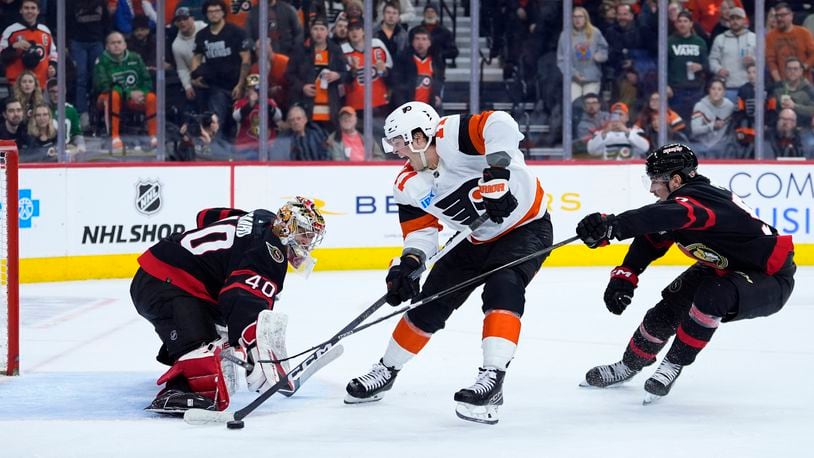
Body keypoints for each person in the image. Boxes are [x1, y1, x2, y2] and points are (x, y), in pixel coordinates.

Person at [344, 102, 553, 425]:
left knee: (503, 287)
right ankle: (387, 369)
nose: (398, 153)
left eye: (400, 144)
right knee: (429, 302)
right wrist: (409, 263)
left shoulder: (453, 135)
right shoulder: (408, 184)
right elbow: (421, 233)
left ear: (419, 137)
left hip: (525, 228)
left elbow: (501, 123)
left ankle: (493, 379)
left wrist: (497, 171)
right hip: (472, 239)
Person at [575, 143, 796, 404]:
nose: (651, 188)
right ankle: (628, 366)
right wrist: (626, 275)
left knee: (712, 295)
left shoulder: (701, 199)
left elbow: (667, 215)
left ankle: (672, 364)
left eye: (655, 180)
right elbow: (652, 238)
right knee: (666, 311)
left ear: (676, 180)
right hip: (721, 268)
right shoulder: (679, 205)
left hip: (769, 277)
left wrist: (613, 225)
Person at [131, 197, 326, 413]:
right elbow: (241, 296)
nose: (307, 242)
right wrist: (254, 348)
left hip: (173, 276)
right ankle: (176, 390)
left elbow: (206, 216)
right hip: (163, 283)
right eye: (305, 234)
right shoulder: (271, 254)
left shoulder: (263, 217)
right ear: (288, 227)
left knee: (225, 333)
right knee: (210, 352)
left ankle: (185, 342)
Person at [191, 0, 252, 137]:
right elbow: (196, 57)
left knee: (238, 123)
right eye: (210, 12)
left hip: (236, 84)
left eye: (217, 11)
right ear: (206, 14)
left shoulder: (236, 32)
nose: (214, 14)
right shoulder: (202, 35)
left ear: (223, 12)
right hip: (215, 86)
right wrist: (194, 76)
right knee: (215, 120)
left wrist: (241, 84)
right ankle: (216, 152)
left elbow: (246, 59)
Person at [93, 31, 158, 152]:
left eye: (119, 42)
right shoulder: (101, 61)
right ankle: (114, 137)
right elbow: (104, 85)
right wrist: (128, 93)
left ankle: (153, 135)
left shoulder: (135, 58)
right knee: (113, 95)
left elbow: (147, 81)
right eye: (113, 43)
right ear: (107, 46)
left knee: (151, 98)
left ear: (125, 45)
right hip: (108, 98)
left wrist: (141, 93)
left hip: (133, 98)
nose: (116, 45)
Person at [556, 6, 609, 102]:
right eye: (574, 17)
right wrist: (573, 74)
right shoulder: (565, 35)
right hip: (573, 79)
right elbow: (561, 60)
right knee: (575, 106)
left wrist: (599, 56)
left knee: (589, 104)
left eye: (580, 16)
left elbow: (604, 50)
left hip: (592, 78)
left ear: (586, 18)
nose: (577, 19)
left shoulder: (595, 33)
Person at [0, 0, 57, 88]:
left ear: (38, 11)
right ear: (21, 10)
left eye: (33, 8)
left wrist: (52, 67)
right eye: (26, 8)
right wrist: (13, 47)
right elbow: (1, 55)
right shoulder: (11, 31)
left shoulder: (45, 31)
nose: (29, 11)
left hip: (39, 83)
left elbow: (53, 55)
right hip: (16, 84)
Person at [708, 6, 755, 103]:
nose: (735, 21)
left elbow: (763, 60)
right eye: (732, 19)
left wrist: (754, 60)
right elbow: (712, 60)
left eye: (738, 18)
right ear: (729, 21)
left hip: (749, 88)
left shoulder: (754, 38)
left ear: (744, 20)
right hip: (727, 88)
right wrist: (718, 69)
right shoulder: (720, 39)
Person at [232, 73, 283, 159]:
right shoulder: (241, 102)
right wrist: (249, 105)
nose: (255, 91)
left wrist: (266, 104)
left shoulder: (269, 101)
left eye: (258, 88)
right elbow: (236, 117)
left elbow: (278, 117)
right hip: (246, 145)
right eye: (252, 88)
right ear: (247, 90)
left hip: (267, 145)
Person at [766, 2, 814, 84]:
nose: (779, 18)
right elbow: (771, 62)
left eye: (782, 15)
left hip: (804, 83)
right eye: (777, 16)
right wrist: (779, 82)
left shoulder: (803, 32)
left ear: (791, 15)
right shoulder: (771, 36)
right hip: (784, 83)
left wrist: (803, 67)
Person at [690, 78, 735, 158]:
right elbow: (695, 130)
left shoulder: (730, 107)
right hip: (701, 145)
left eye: (719, 89)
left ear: (724, 92)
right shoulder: (700, 106)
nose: (716, 92)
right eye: (713, 89)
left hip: (722, 147)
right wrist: (712, 126)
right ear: (709, 91)